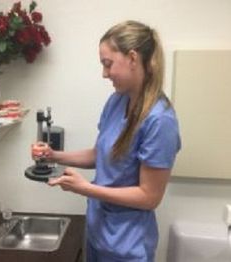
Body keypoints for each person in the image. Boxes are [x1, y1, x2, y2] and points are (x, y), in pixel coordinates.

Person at [32, 20, 181, 262]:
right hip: (97, 230)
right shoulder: (116, 101)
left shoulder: (160, 120)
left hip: (127, 243)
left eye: (107, 64)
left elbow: (149, 197)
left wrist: (86, 189)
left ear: (132, 58)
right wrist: (53, 155)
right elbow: (99, 154)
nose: (104, 74)